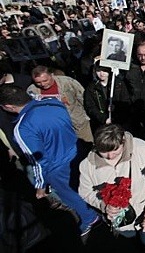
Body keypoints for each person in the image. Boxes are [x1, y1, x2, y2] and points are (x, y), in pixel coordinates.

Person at [0, 85, 100, 239]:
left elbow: (37, 160)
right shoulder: (53, 102)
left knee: (71, 195)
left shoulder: (22, 129)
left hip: (57, 168)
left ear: (8, 106)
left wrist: (40, 186)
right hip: (78, 153)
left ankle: (89, 217)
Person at [78, 124, 145, 251]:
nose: (110, 156)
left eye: (115, 151)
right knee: (131, 239)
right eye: (104, 152)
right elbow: (85, 192)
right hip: (120, 222)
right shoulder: (87, 166)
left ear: (123, 142)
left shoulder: (140, 148)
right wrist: (103, 205)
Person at [27, 65, 93, 144]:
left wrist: (87, 115)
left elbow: (83, 97)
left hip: (77, 121)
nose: (42, 84)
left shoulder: (67, 82)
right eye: (38, 82)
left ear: (52, 75)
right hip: (56, 126)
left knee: (87, 144)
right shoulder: (32, 90)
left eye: (45, 80)